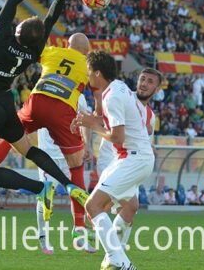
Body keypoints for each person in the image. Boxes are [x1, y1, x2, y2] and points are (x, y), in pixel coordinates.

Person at [0, 0, 86, 222]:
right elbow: (49, 21)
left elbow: (12, 0)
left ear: (17, 31)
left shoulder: (0, 40)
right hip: (4, 103)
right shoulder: (34, 52)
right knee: (28, 150)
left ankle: (40, 188)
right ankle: (68, 184)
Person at [0, 32, 92, 237]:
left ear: (67, 45)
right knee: (77, 167)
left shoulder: (53, 52)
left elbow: (30, 50)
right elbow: (96, 96)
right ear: (86, 52)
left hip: (37, 106)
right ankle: (79, 227)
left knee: (9, 135)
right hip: (61, 120)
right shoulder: (87, 67)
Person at [74, 51, 155, 269]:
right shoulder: (118, 87)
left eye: (90, 72)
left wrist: (93, 125)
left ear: (98, 73)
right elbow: (116, 122)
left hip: (133, 159)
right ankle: (114, 259)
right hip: (132, 158)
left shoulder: (112, 96)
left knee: (93, 205)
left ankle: (122, 262)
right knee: (128, 206)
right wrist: (90, 120)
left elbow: (116, 136)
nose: (88, 75)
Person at [92, 67, 162, 250]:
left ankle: (115, 250)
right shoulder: (122, 96)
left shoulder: (150, 117)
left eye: (150, 82)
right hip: (111, 158)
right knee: (107, 204)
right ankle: (111, 249)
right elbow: (99, 119)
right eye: (142, 79)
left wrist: (150, 145)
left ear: (157, 89)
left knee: (130, 208)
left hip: (131, 161)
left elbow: (142, 140)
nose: (144, 84)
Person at [36, 94, 95, 254]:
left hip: (71, 155)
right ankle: (43, 237)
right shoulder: (45, 89)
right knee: (46, 198)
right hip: (49, 155)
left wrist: (87, 145)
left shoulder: (78, 95)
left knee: (77, 196)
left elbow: (86, 120)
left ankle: (79, 236)